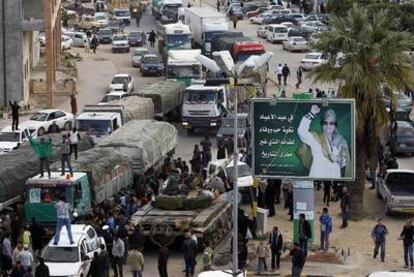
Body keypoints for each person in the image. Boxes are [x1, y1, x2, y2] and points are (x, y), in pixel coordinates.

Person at [297, 105, 352, 178]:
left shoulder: (341, 141)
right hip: (317, 176)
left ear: (335, 125)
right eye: (325, 123)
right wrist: (312, 113)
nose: (328, 125)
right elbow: (301, 131)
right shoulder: (315, 138)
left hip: (334, 177)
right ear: (322, 125)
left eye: (331, 123)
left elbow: (345, 162)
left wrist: (338, 158)